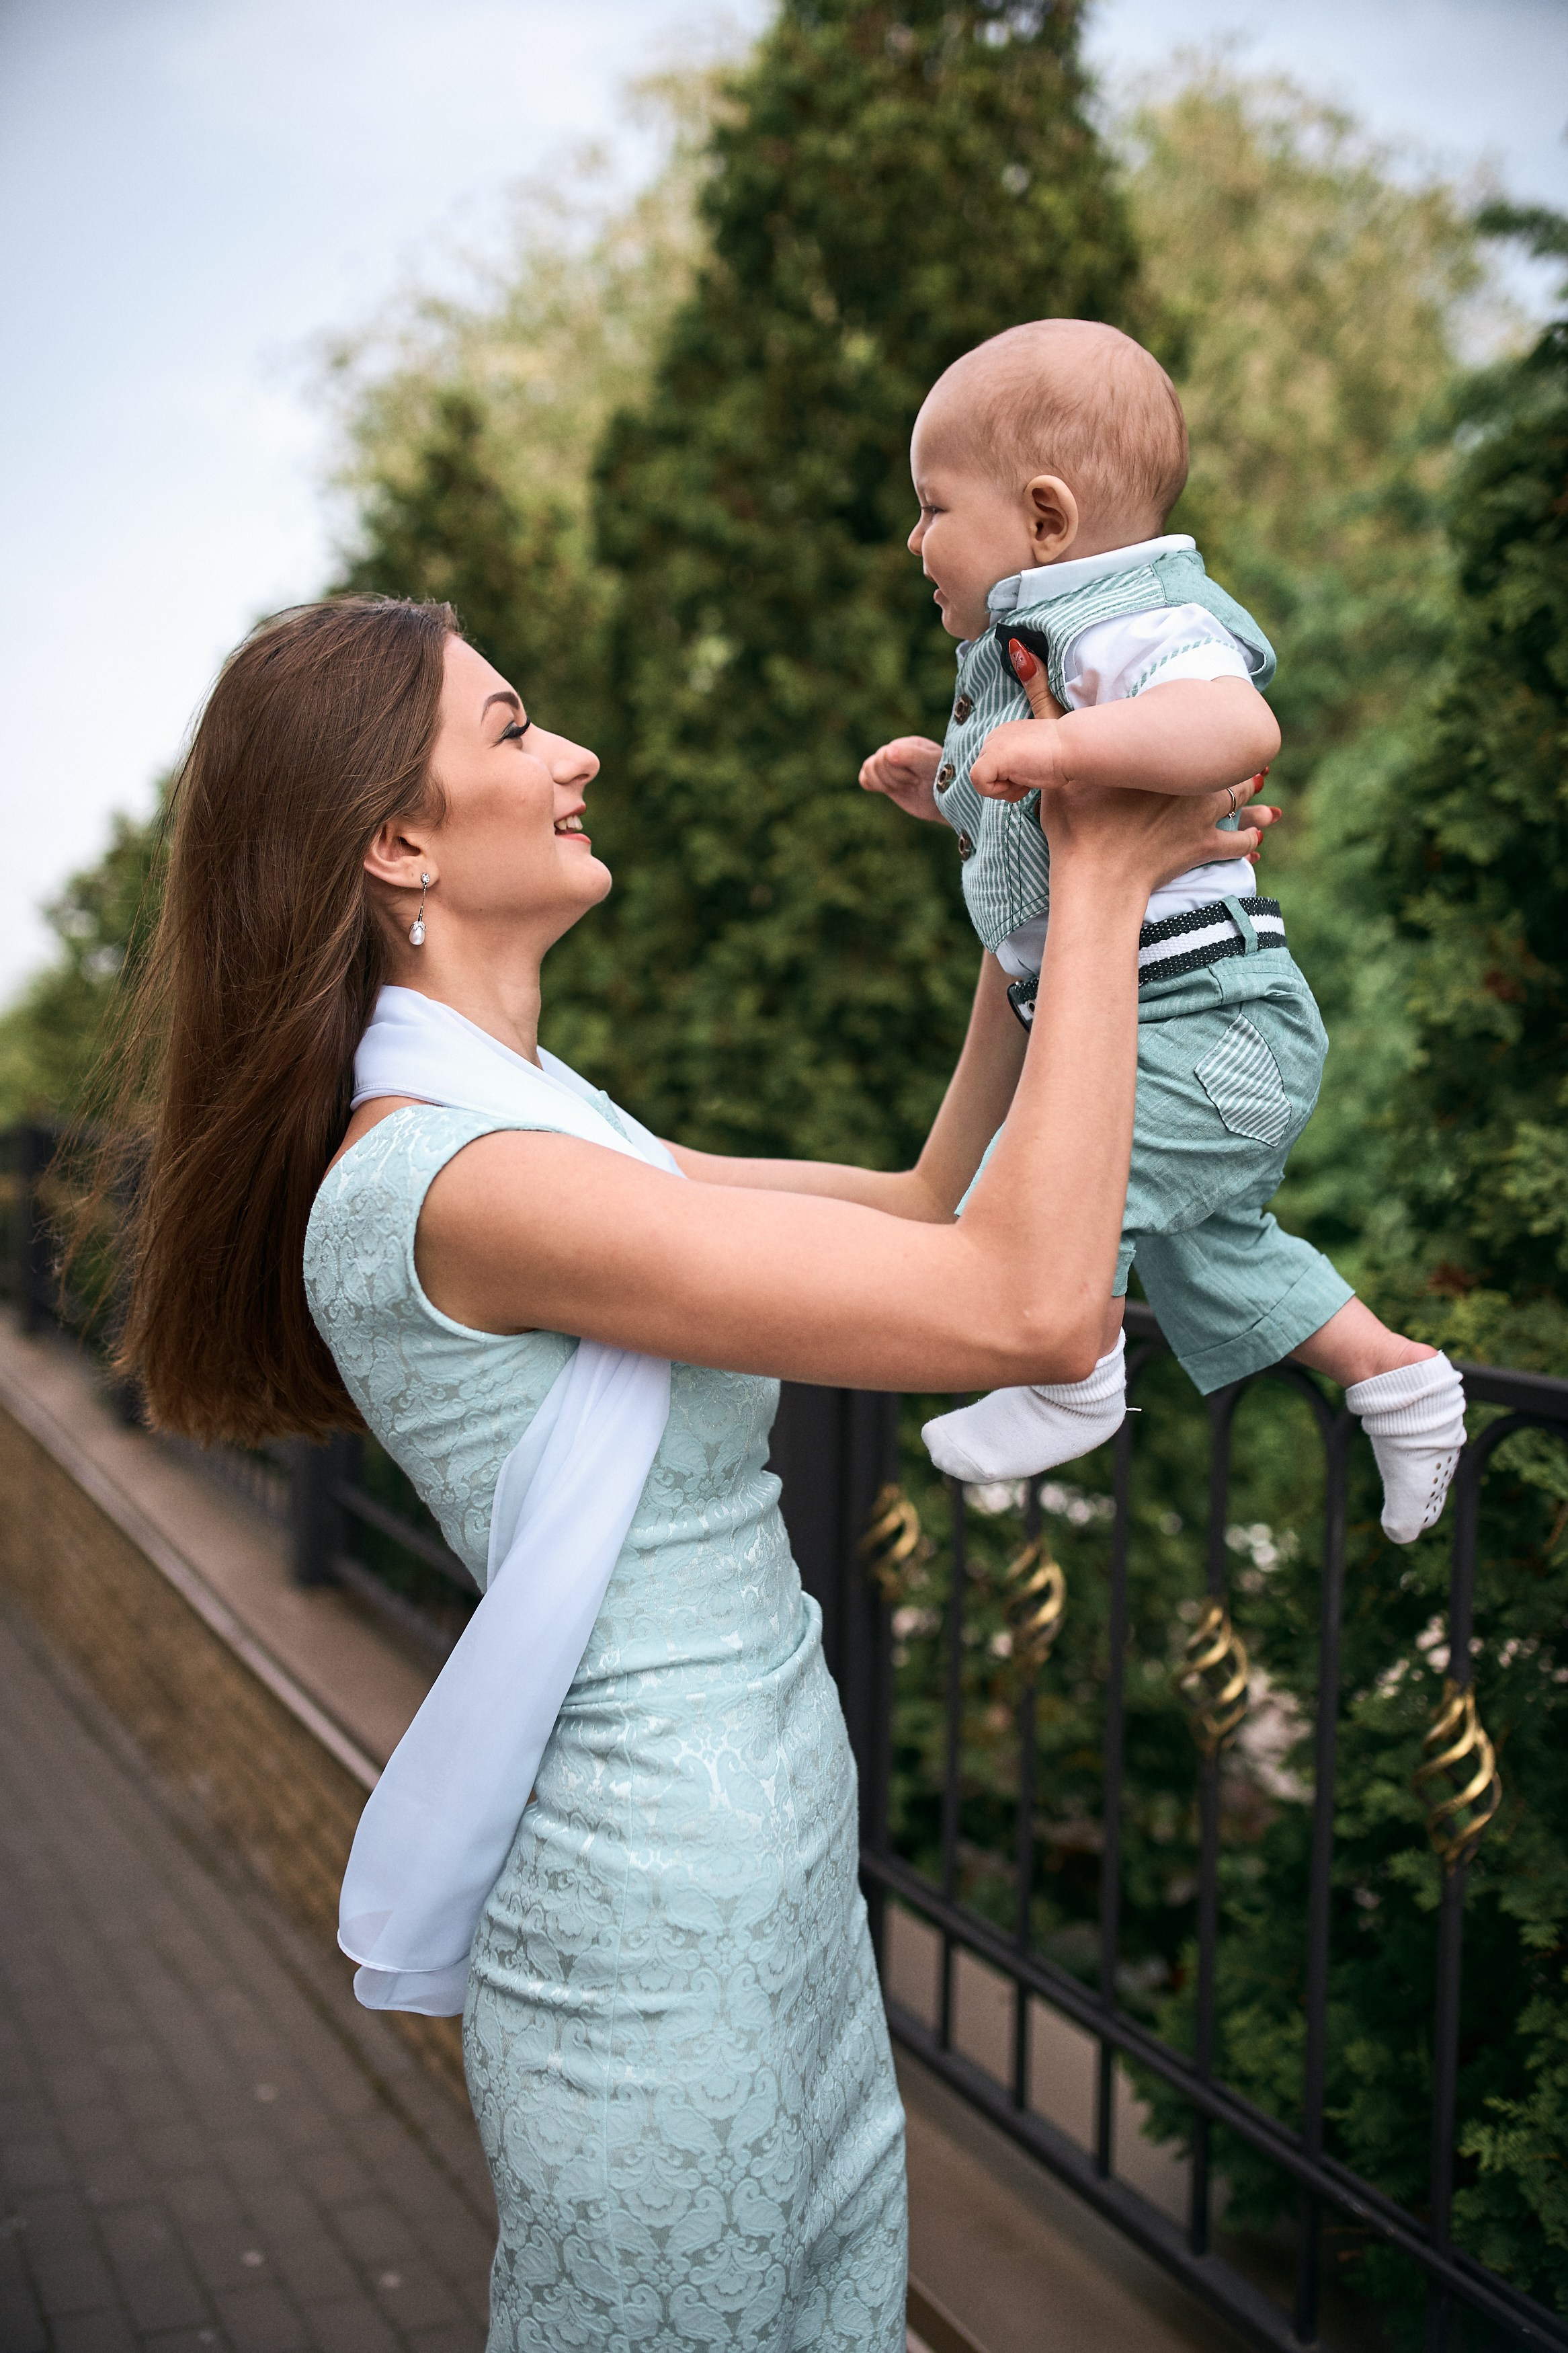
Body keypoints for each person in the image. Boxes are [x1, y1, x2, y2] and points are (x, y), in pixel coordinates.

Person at [110, 594, 1266, 2351]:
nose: (572, 753)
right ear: (397, 838)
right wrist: (1108, 883)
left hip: (772, 1880)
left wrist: (1018, 904)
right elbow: (1028, 1306)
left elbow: (925, 1214)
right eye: (511, 729)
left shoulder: (561, 1129)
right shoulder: (458, 1181)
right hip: (649, 1935)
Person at [859, 319, 1466, 1544]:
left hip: (1213, 1026)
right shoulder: (1023, 648)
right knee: (1211, 1257)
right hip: (1166, 1029)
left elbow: (1234, 730)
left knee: (1040, 1201)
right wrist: (952, 788)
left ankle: (1067, 1369)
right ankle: (1398, 1383)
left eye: (932, 510)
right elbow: (1052, 837)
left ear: (1043, 518)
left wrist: (1058, 744)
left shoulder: (1133, 621)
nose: (914, 541)